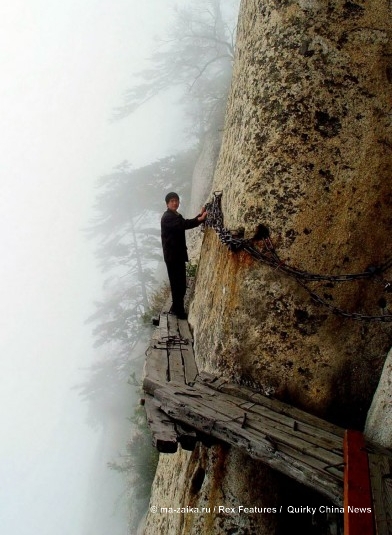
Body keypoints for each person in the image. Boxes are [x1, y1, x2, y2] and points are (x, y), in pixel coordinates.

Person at [161, 192, 207, 319]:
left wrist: (200, 216)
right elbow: (183, 225)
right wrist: (199, 219)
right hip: (172, 257)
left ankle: (177, 308)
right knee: (177, 284)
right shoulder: (167, 217)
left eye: (176, 200)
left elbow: (184, 222)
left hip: (177, 255)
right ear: (167, 204)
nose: (175, 203)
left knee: (180, 283)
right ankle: (179, 312)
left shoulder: (175, 215)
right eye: (172, 201)